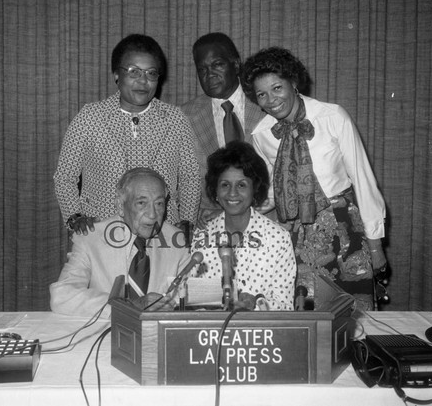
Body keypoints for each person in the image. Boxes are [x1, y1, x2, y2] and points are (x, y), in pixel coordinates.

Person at [240, 46, 387, 310]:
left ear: (293, 82)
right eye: (261, 94)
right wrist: (242, 210)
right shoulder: (261, 134)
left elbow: (363, 179)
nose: (271, 100)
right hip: (297, 235)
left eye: (277, 88)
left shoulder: (332, 116)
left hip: (345, 230)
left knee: (353, 318)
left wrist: (375, 245)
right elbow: (277, 189)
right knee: (304, 316)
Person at [54, 33, 200, 234]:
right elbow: (64, 177)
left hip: (162, 233)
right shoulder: (90, 117)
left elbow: (189, 176)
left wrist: (187, 221)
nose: (143, 81)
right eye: (134, 72)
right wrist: (74, 217)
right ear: (116, 74)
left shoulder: (174, 119)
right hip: (103, 233)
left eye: (151, 73)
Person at [50, 168, 191, 317]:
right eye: (141, 203)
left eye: (159, 204)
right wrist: (127, 306)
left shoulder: (178, 241)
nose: (152, 214)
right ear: (120, 205)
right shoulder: (90, 239)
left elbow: (194, 297)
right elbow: (62, 296)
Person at [190, 141, 296, 311]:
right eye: (225, 185)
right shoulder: (203, 234)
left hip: (261, 334)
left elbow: (285, 307)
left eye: (241, 185)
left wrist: (256, 303)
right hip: (213, 332)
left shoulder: (278, 238)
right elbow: (194, 300)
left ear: (255, 189)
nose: (232, 193)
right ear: (215, 190)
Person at [181, 33, 265, 227]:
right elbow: (183, 180)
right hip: (208, 226)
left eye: (217, 64)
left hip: (265, 224)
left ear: (236, 65)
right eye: (202, 69)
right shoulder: (184, 117)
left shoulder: (265, 105)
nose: (209, 74)